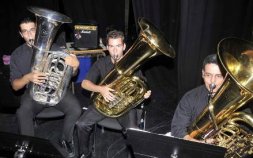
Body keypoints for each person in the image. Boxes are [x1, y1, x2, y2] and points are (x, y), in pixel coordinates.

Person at [9, 17, 82, 158]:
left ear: (38, 30)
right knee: (22, 112)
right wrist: (27, 77)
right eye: (25, 32)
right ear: (21, 34)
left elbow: (71, 75)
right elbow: (15, 86)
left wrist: (75, 66)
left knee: (76, 108)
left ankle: (65, 140)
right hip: (32, 92)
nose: (30, 35)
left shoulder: (54, 48)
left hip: (56, 90)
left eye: (32, 30)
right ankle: (27, 146)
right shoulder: (17, 55)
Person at [76, 30, 151, 158]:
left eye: (118, 46)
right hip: (103, 102)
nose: (115, 51)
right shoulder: (101, 63)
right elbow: (84, 83)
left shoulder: (133, 64)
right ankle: (85, 153)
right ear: (107, 47)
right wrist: (101, 89)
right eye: (111, 46)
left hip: (125, 106)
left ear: (124, 47)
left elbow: (142, 86)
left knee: (133, 131)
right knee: (81, 124)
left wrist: (145, 94)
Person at [170, 54, 225, 143]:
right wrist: (200, 145)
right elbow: (177, 129)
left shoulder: (238, 98)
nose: (212, 81)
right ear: (203, 74)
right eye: (208, 75)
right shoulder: (190, 97)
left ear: (226, 76)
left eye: (218, 76)